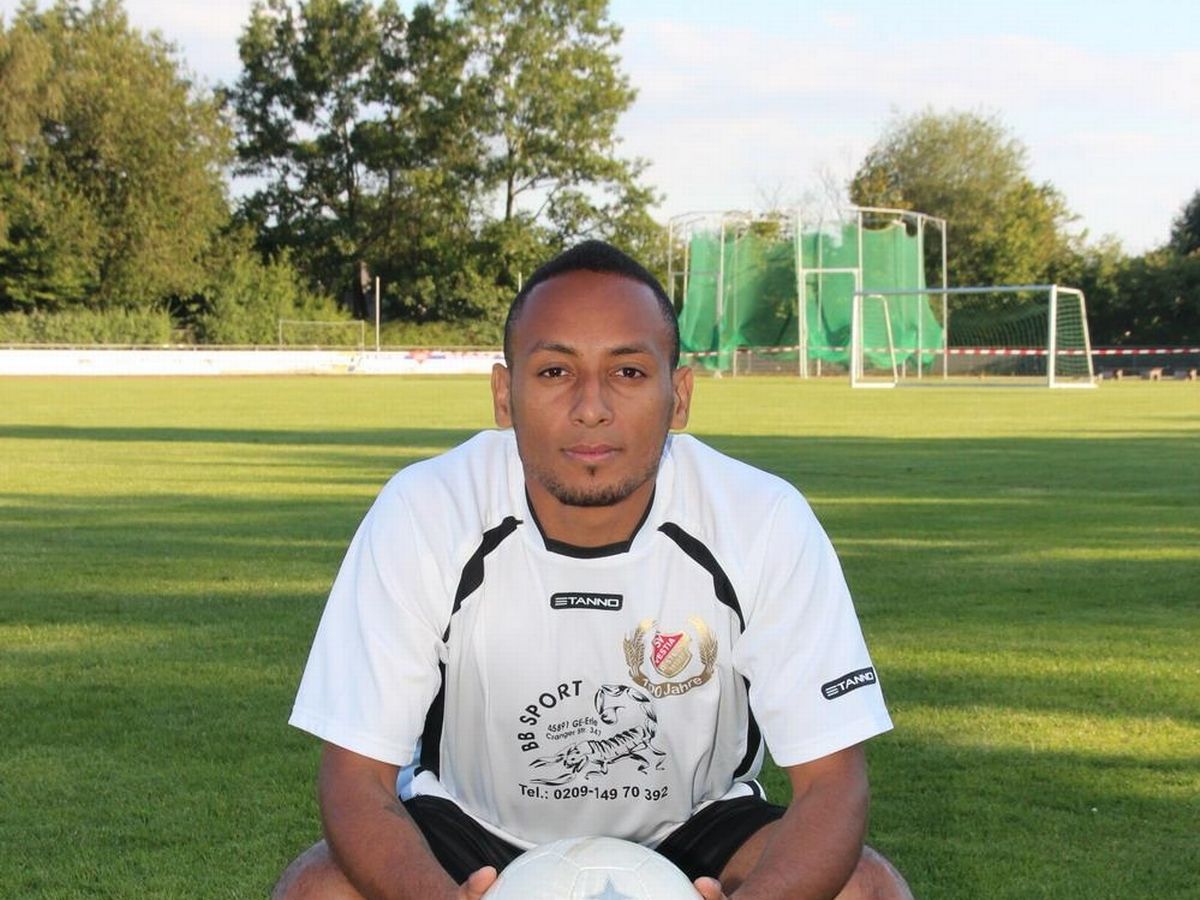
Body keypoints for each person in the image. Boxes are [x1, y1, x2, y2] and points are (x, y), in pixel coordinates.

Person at [275, 241, 913, 900]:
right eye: (555, 371)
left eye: (628, 372)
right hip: (474, 828)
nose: (591, 407)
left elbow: (833, 781)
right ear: (504, 394)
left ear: (679, 396)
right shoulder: (425, 509)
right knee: (320, 889)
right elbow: (356, 776)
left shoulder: (763, 519)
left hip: (695, 828)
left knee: (866, 889)